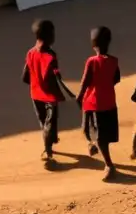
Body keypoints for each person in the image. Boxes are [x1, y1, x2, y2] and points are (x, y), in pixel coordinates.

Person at [22, 19, 76, 168]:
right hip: (49, 96)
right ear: (49, 36)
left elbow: (25, 76)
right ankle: (47, 151)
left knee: (43, 121)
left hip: (35, 94)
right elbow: (55, 77)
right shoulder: (51, 55)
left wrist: (35, 86)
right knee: (50, 122)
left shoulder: (30, 53)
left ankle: (51, 139)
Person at [76, 26, 121, 181]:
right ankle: (93, 145)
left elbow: (85, 81)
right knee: (104, 135)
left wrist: (79, 96)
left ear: (92, 44)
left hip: (92, 104)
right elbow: (116, 79)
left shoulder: (91, 62)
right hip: (109, 103)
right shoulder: (114, 61)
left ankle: (109, 165)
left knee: (92, 132)